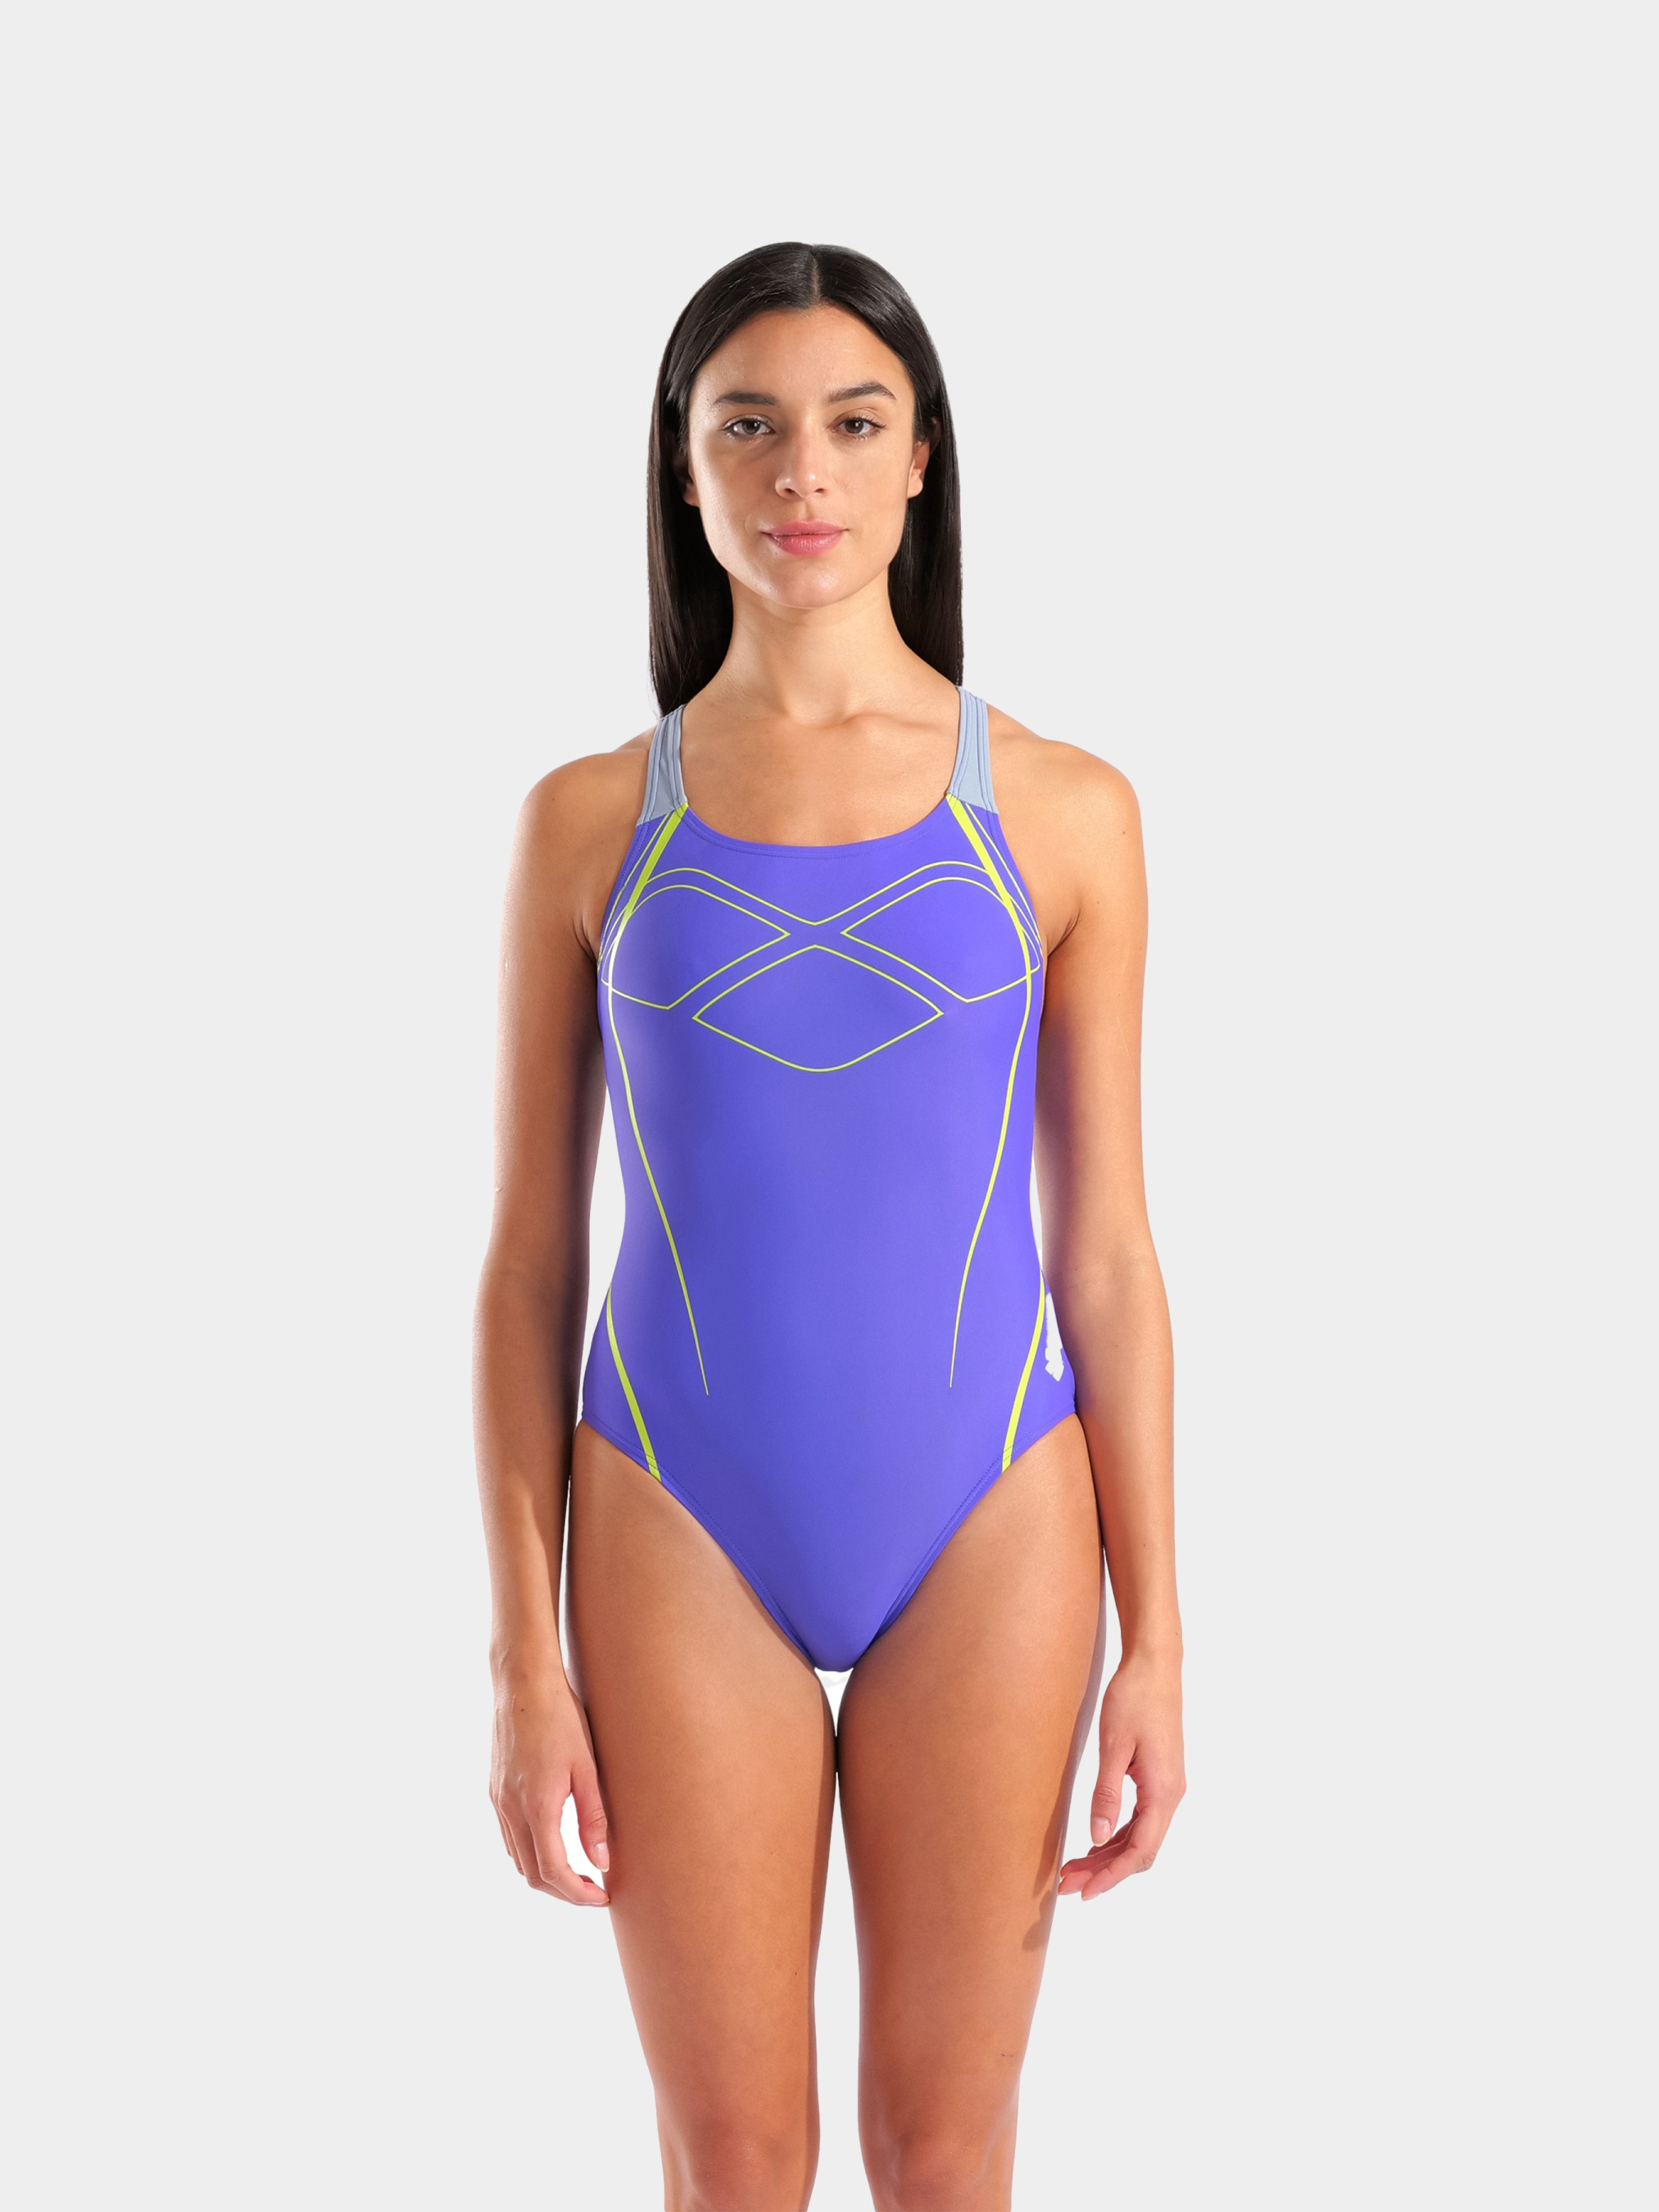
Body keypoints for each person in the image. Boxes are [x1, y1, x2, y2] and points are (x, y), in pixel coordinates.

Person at [473, 240, 1184, 2212]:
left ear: (920, 459)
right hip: (672, 1509)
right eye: (749, 427)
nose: (803, 472)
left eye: (853, 424)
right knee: (737, 2162)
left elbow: (1106, 1254)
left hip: (992, 1506)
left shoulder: (1063, 812)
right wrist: (521, 1658)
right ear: (682, 467)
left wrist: (1160, 1636)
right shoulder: (586, 820)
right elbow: (526, 1258)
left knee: (940, 2156)